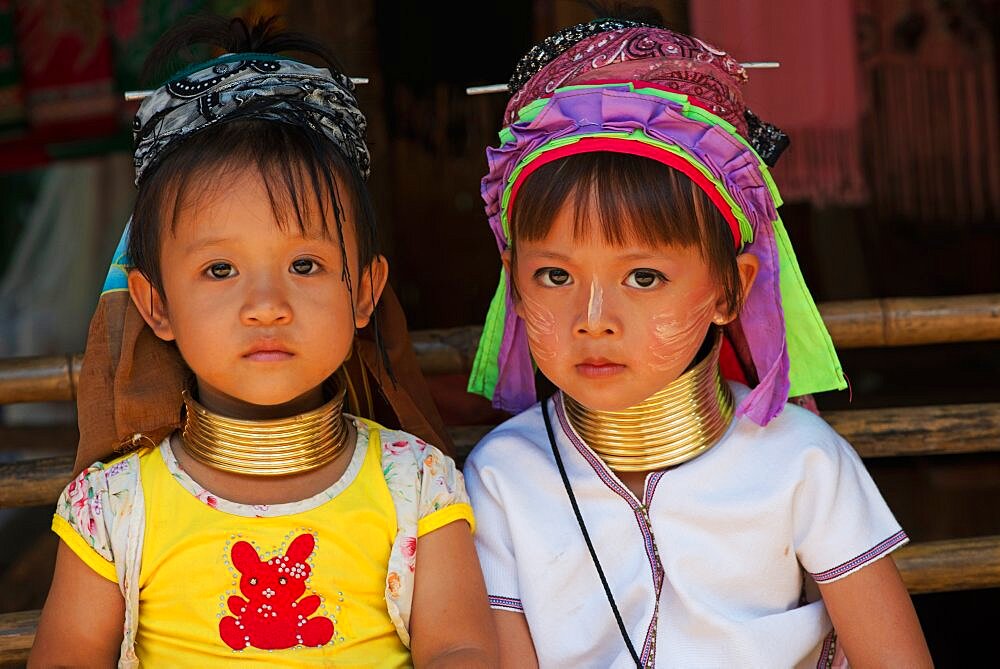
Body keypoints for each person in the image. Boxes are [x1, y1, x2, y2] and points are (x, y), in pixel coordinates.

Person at [463, 10, 932, 668]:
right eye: (555, 274)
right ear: (514, 281)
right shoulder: (503, 478)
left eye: (644, 275)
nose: (593, 317)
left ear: (729, 289)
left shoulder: (802, 464)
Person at [30, 16, 496, 668]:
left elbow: (463, 646)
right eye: (220, 270)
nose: (268, 306)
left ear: (363, 291)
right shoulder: (112, 508)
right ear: (155, 303)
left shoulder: (417, 487)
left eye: (304, 265)